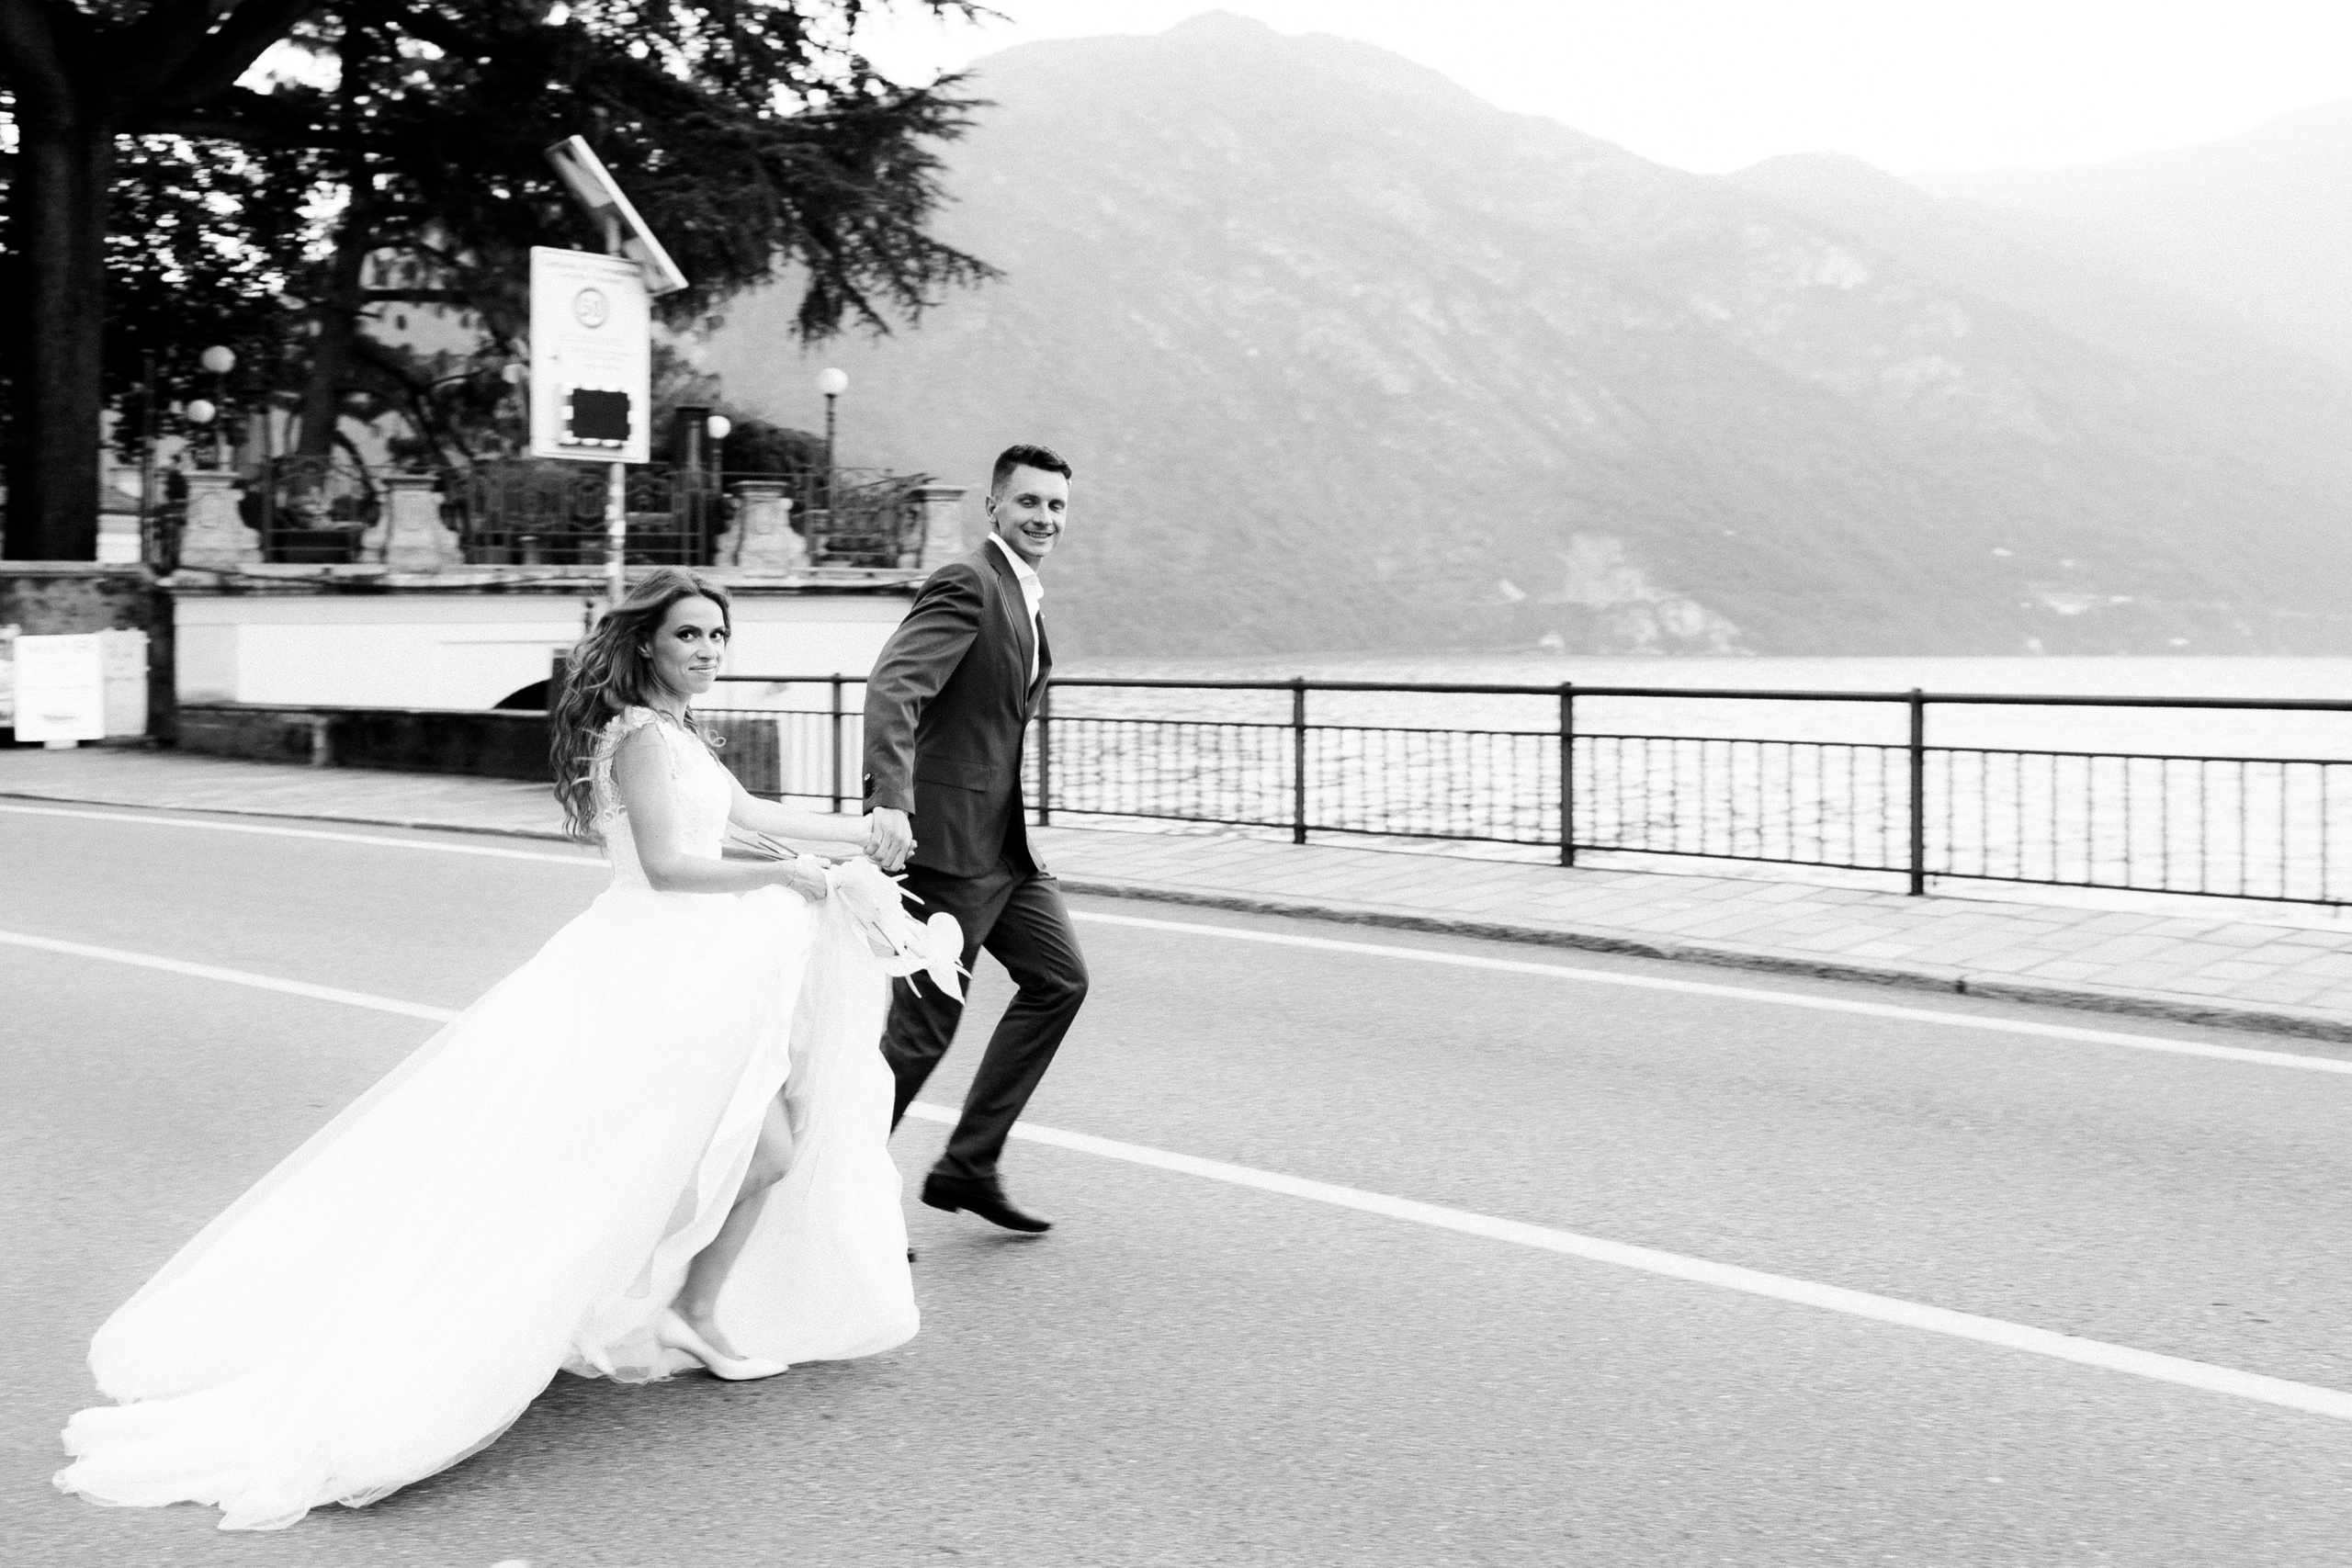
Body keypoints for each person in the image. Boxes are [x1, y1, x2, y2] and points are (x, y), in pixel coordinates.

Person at [54, 569, 942, 1531]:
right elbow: (668, 867)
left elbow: (756, 820)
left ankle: (692, 1304)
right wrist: (803, 884)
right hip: (653, 977)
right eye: (689, 635)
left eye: (718, 637)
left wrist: (865, 836)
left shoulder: (680, 734)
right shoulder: (640, 738)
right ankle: (582, 1306)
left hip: (693, 973)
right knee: (646, 1162)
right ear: (647, 642)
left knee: (764, 1149)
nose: (707, 652)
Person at [863, 444, 1091, 1234]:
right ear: (994, 506)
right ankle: (833, 1189)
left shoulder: (1024, 596)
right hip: (948, 847)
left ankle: (969, 1164)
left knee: (1059, 980)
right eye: (1030, 502)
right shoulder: (969, 582)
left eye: (1057, 506)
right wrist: (890, 800)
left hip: (1006, 849)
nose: (1045, 518)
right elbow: (896, 685)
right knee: (923, 1030)